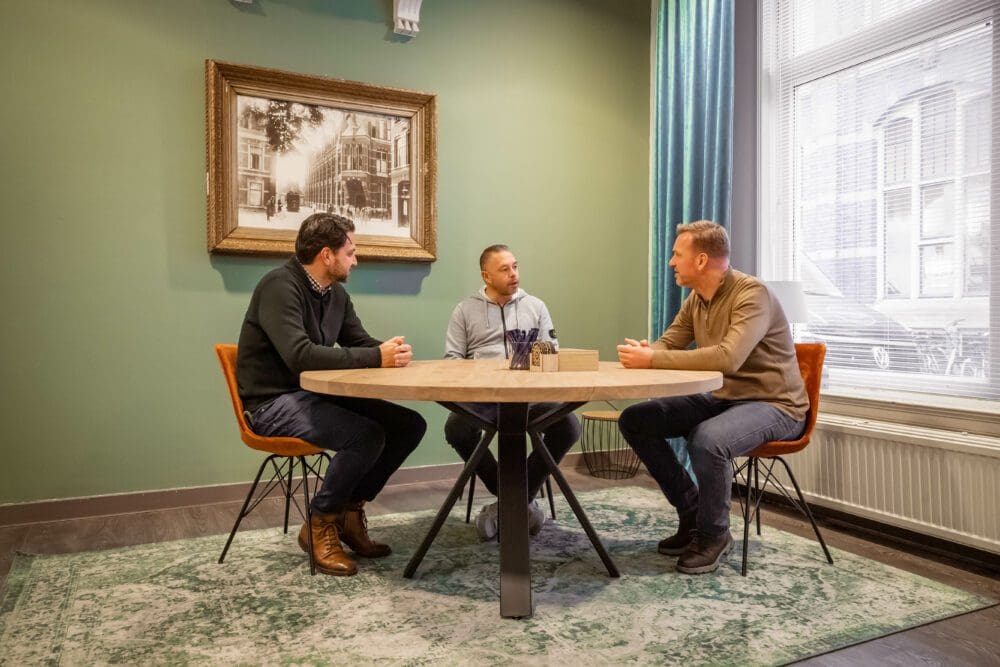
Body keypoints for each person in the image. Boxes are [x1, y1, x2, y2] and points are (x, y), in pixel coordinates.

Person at [237, 213, 426, 576]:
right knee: (365, 435)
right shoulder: (278, 286)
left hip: (311, 395)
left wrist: (390, 351)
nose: (356, 260)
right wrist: (376, 356)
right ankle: (319, 522)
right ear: (327, 255)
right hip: (271, 402)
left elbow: (358, 341)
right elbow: (300, 356)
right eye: (350, 253)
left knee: (408, 425)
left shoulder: (335, 293)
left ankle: (349, 513)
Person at [616, 220, 808, 574]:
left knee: (708, 440)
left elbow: (728, 358)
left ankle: (714, 534)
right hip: (725, 399)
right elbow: (669, 343)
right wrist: (649, 351)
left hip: (776, 405)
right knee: (636, 420)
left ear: (701, 260)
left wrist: (653, 359)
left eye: (677, 254)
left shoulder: (753, 295)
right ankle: (692, 514)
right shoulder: (697, 299)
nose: (671, 262)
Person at [444, 244, 581, 541]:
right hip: (484, 397)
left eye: (515, 267)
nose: (514, 274)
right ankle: (516, 499)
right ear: (486, 276)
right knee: (456, 428)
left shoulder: (536, 306)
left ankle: (510, 503)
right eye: (505, 269)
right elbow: (452, 360)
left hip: (531, 396)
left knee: (569, 425)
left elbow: (552, 353)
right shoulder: (465, 310)